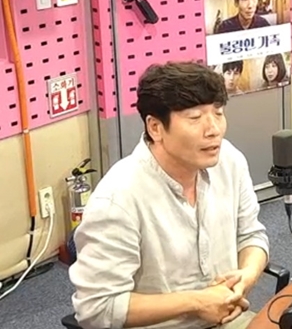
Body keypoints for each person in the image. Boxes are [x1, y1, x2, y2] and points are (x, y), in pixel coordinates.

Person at [69, 62, 269, 329]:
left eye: (218, 113)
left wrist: (247, 275)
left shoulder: (229, 160)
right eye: (195, 118)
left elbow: (251, 235)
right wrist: (197, 302)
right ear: (155, 127)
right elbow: (98, 308)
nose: (214, 129)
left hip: (229, 319)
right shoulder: (118, 199)